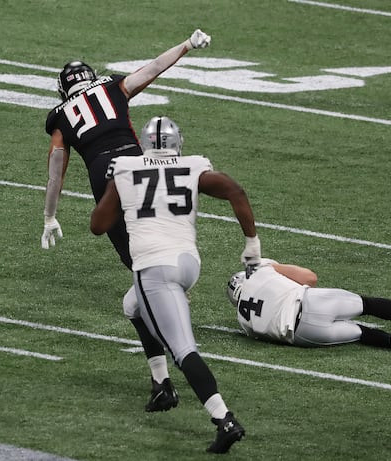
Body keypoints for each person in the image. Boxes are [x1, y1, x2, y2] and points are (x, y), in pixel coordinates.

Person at [40, 29, 211, 412]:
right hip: (145, 171)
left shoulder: (61, 115)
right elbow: (153, 69)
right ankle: (173, 294)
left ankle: (164, 373)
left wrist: (50, 216)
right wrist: (185, 45)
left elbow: (56, 170)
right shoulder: (113, 88)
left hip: (110, 180)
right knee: (162, 238)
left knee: (141, 274)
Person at [90, 116, 262, 453]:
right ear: (177, 143)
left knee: (183, 349)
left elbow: (98, 225)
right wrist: (252, 243)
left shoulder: (125, 167)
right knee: (132, 306)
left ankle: (223, 418)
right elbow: (233, 190)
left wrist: (120, 191)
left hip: (154, 268)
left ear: (144, 144)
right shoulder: (194, 165)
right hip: (187, 262)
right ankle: (161, 384)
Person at [226, 258, 391, 352]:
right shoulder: (258, 272)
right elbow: (310, 278)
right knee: (367, 305)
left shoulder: (243, 322)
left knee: (361, 333)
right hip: (310, 303)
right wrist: (275, 268)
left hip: (303, 335)